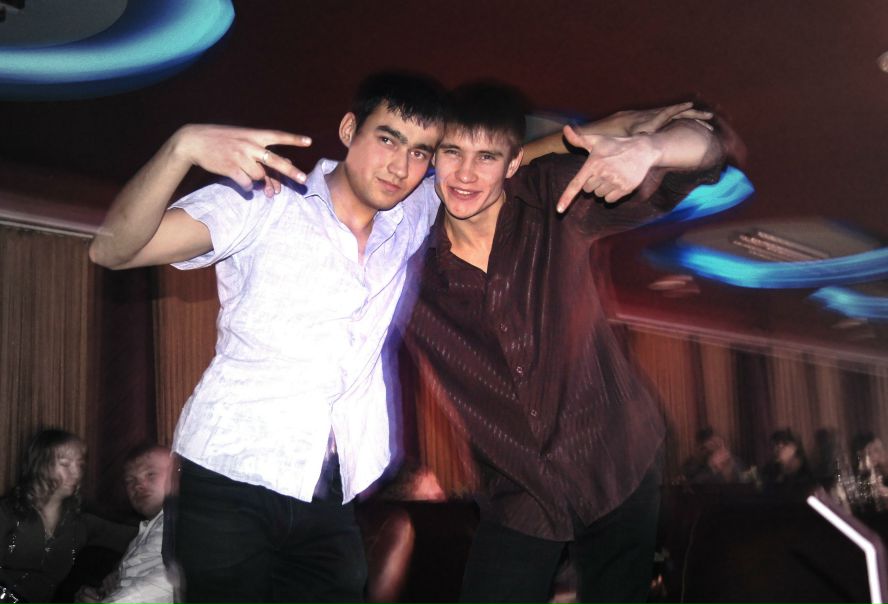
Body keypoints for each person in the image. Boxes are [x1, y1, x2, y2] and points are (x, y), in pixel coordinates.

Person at [88, 68, 712, 602]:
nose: (400, 165)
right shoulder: (262, 203)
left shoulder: (413, 215)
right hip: (230, 475)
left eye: (420, 151)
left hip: (328, 489)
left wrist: (630, 133)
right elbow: (114, 249)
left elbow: (492, 162)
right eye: (388, 138)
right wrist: (180, 149)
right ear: (348, 130)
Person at [394, 81, 729, 603]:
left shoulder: (552, 196)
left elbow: (709, 149)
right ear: (434, 158)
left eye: (487, 157)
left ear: (514, 163)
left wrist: (650, 148)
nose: (465, 174)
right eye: (452, 153)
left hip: (615, 457)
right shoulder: (403, 251)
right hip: (519, 487)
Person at [0, 429, 136, 604]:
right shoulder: (7, 512)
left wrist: (118, 571)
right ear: (39, 464)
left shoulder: (81, 523)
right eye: (65, 464)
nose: (76, 473)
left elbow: (139, 537)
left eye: (80, 465)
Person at [75, 444, 175, 604]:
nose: (138, 485)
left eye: (151, 474)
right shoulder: (144, 533)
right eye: (130, 480)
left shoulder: (181, 523)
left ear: (176, 476)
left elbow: (164, 584)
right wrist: (103, 590)